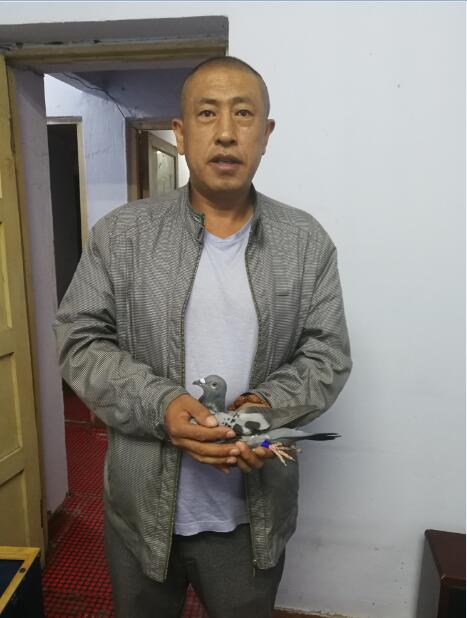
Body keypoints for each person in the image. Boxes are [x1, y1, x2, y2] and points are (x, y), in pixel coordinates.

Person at [54, 56, 352, 618]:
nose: (226, 132)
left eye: (244, 114)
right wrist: (162, 405)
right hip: (139, 509)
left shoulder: (305, 242)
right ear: (181, 131)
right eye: (207, 113)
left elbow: (327, 352)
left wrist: (263, 409)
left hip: (250, 519)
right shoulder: (122, 235)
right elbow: (80, 339)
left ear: (266, 133)